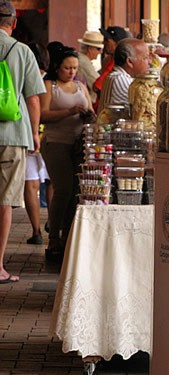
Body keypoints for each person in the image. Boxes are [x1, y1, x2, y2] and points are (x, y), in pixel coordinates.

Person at [0, 0, 46, 283]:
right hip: (12, 135)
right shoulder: (22, 51)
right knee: (4, 203)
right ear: (14, 23)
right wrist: (34, 134)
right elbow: (33, 98)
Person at [39, 45, 95, 260]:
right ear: (57, 67)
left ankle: (68, 236)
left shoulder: (80, 86)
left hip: (79, 144)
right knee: (62, 189)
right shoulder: (49, 86)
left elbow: (91, 112)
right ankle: (53, 238)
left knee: (75, 192)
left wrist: (88, 116)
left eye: (74, 68)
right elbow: (43, 115)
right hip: (56, 142)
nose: (71, 72)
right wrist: (69, 112)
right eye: (67, 68)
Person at [24, 42, 51, 245]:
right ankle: (52, 222)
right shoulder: (50, 83)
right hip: (47, 136)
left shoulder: (23, 78)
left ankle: (36, 231)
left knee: (31, 184)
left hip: (29, 136)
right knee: (51, 183)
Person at [97, 38, 150, 114]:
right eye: (145, 58)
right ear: (129, 62)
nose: (149, 62)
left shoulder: (114, 76)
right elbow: (148, 105)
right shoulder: (120, 79)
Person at [92, 26, 130, 109]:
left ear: (117, 43)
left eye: (107, 40)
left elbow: (97, 87)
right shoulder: (109, 60)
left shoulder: (117, 62)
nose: (104, 43)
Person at [76, 30, 104, 103]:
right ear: (90, 48)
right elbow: (97, 83)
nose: (101, 52)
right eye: (98, 49)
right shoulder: (83, 62)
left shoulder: (83, 59)